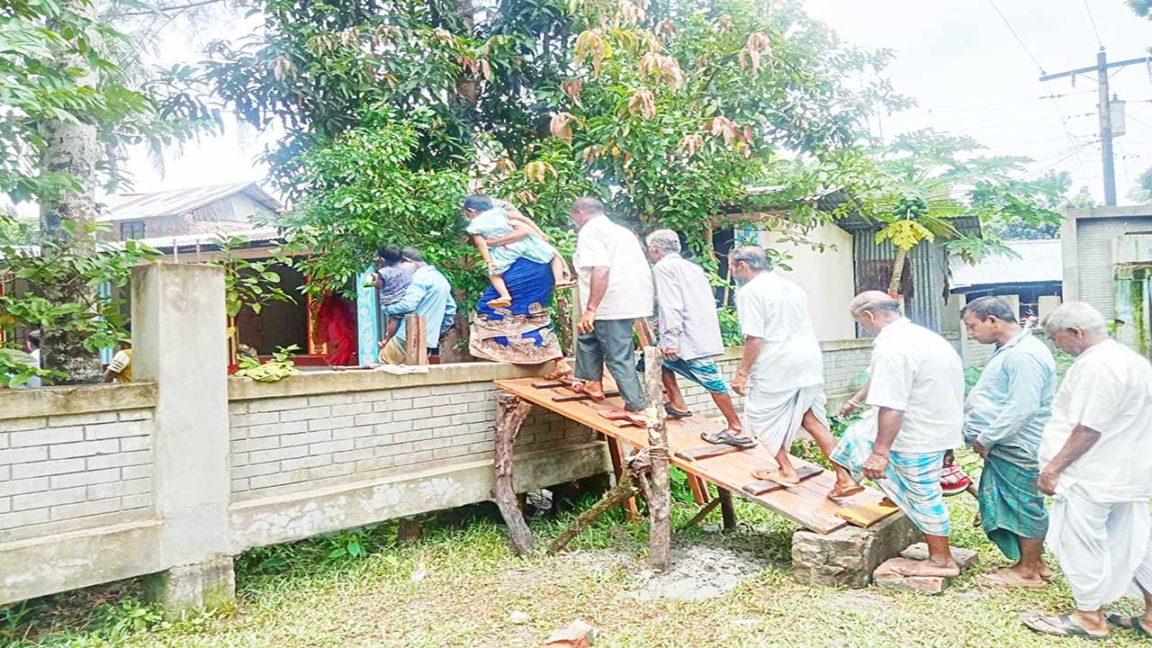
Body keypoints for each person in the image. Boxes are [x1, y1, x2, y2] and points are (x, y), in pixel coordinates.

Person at [1022, 302, 1152, 640]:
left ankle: (1089, 618)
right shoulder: (1132, 361)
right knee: (1134, 544)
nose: (1056, 346)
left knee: (1079, 542)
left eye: (1056, 338)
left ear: (1076, 333)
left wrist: (1052, 470)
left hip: (1092, 475)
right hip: (1128, 472)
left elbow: (1088, 428)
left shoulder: (1098, 366)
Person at [830, 291, 964, 577]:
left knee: (924, 495)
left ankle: (941, 560)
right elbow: (879, 381)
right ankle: (857, 485)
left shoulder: (893, 347)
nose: (865, 328)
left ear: (869, 316)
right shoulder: (923, 337)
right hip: (940, 425)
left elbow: (891, 404)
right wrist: (855, 402)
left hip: (917, 433)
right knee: (855, 435)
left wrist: (880, 453)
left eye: (862, 324)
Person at [728, 246, 861, 497]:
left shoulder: (750, 292)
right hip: (808, 360)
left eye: (732, 266)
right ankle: (844, 478)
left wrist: (741, 373)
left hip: (778, 363)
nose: (732, 272)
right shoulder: (792, 287)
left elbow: (755, 338)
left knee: (758, 417)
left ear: (743, 265)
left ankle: (786, 469)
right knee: (811, 419)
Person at [960, 296, 1057, 589]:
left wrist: (987, 437)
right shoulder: (1011, 350)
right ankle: (1036, 562)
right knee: (1014, 501)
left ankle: (1027, 571)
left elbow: (1022, 407)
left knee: (1023, 503)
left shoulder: (1023, 355)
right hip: (1005, 443)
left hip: (1016, 444)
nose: (970, 333)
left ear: (993, 320)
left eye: (972, 326)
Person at [644, 230, 743, 441]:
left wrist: (670, 337)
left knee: (710, 379)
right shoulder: (691, 267)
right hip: (698, 328)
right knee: (656, 361)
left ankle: (735, 426)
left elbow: (671, 303)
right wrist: (664, 324)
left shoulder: (663, 267)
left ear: (655, 250)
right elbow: (692, 300)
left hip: (688, 335)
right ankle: (677, 402)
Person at [568, 197, 652, 418]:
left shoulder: (590, 232)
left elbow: (601, 269)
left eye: (573, 216)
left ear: (580, 212)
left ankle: (636, 405)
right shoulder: (621, 232)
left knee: (618, 354)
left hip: (610, 302)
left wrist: (592, 308)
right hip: (626, 298)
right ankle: (592, 383)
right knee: (587, 335)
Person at [461, 195, 569, 310]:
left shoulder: (475, 225)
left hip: (504, 252)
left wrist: (489, 261)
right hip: (523, 246)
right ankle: (560, 280)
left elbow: (481, 244)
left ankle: (505, 296)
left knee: (495, 276)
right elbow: (525, 220)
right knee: (553, 255)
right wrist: (540, 232)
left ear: (471, 211)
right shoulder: (499, 212)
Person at [379, 247, 457, 365]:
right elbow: (450, 311)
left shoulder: (419, 277)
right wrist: (436, 333)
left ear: (407, 261)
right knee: (415, 372)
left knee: (385, 364)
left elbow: (408, 305)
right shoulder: (440, 278)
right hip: (428, 340)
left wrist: (386, 309)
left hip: (406, 336)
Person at [375, 245, 418, 348]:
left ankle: (387, 340)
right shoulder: (410, 266)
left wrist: (375, 278)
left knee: (394, 320)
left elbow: (379, 285)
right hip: (407, 298)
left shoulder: (383, 272)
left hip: (392, 301)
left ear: (382, 260)